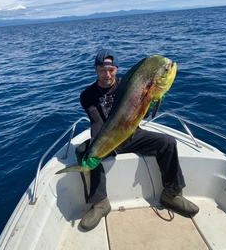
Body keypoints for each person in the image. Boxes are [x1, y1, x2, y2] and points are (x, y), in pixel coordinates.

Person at [76, 49, 199, 231]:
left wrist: (151, 99)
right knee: (82, 152)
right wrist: (96, 149)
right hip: (108, 137)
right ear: (95, 69)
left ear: (116, 69)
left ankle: (172, 194)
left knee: (168, 143)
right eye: (102, 69)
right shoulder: (87, 95)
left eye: (111, 69)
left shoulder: (127, 84)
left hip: (132, 133)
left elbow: (143, 114)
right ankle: (100, 203)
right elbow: (97, 122)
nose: (107, 74)